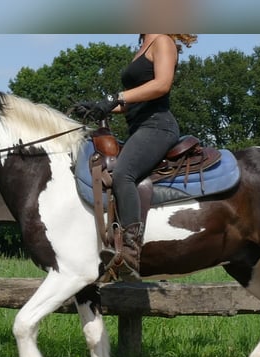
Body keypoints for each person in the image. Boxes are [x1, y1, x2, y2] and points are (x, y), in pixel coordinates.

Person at [74, 33, 198, 280]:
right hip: (139, 127)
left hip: (158, 127)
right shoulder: (142, 48)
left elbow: (162, 84)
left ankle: (130, 252)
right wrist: (101, 106)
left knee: (123, 173)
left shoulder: (162, 41)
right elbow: (132, 102)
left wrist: (116, 97)